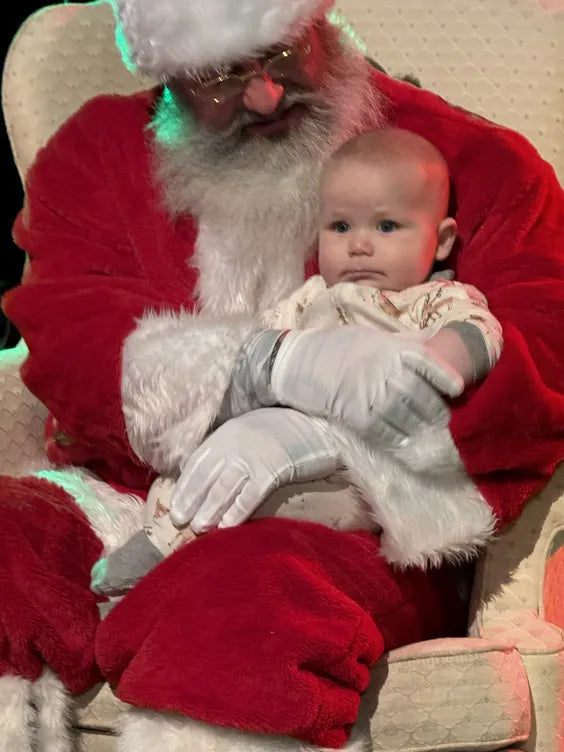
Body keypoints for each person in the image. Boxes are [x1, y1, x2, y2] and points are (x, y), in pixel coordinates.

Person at [1, 0, 564, 750]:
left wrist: (319, 439)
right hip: (138, 499)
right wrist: (264, 365)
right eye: (218, 75)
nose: (266, 97)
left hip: (350, 522)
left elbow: (543, 363)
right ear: (165, 70)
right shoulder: (95, 153)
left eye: (286, 57)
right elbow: (72, 338)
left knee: (244, 600)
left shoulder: (472, 161)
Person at [90, 126, 504, 598]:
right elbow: (255, 345)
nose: (359, 245)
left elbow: (480, 329)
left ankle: (170, 555)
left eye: (386, 226)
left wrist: (439, 358)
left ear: (443, 239)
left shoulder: (431, 299)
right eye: (340, 227)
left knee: (269, 501)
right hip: (285, 431)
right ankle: (163, 542)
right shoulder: (310, 298)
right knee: (195, 473)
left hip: (361, 458)